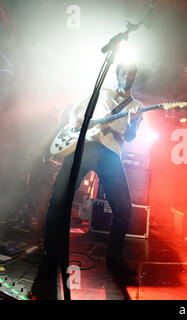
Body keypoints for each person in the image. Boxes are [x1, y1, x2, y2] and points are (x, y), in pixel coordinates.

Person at [32, 62, 144, 298]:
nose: (126, 76)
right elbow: (77, 111)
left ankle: (114, 260)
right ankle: (50, 256)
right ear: (117, 75)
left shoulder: (137, 106)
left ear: (134, 77)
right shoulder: (102, 93)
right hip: (83, 146)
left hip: (110, 154)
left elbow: (131, 137)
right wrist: (74, 120)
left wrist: (133, 122)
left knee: (124, 209)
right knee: (58, 201)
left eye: (131, 73)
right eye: (123, 72)